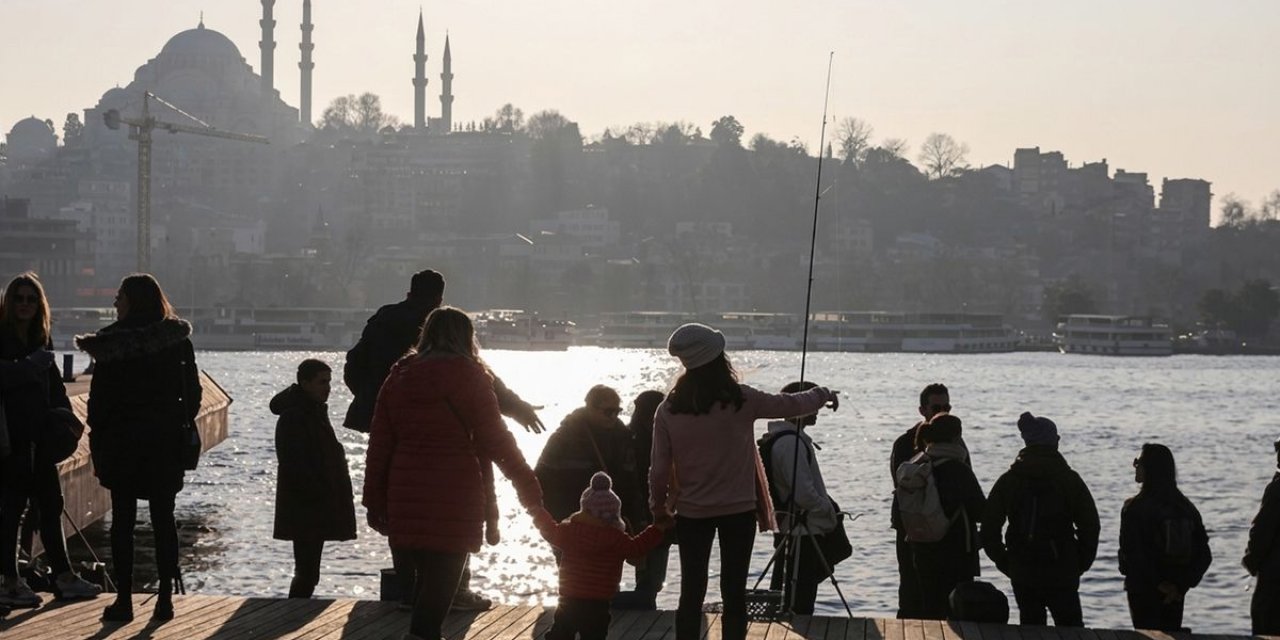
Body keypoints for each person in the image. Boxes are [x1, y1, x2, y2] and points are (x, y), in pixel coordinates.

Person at [343, 268, 543, 611]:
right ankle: (454, 591)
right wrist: (519, 408)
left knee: (402, 506)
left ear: (409, 290)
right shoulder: (441, 328)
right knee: (451, 512)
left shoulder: (384, 323)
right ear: (439, 296)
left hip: (392, 427)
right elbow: (483, 386)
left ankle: (410, 589)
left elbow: (353, 363)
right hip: (447, 439)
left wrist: (372, 402)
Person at [649, 323, 837, 640]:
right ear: (718, 359)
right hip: (738, 511)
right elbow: (790, 404)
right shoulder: (741, 399)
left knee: (691, 590)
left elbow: (658, 469)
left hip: (692, 513)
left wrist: (658, 510)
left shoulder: (668, 409)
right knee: (734, 590)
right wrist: (823, 394)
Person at [75, 274, 202, 623]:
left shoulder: (111, 344)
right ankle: (164, 600)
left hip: (122, 444)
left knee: (123, 524)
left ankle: (125, 600)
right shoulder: (176, 341)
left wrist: (99, 439)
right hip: (163, 445)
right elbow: (192, 393)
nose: (115, 303)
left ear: (132, 300)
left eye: (119, 297)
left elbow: (99, 404)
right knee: (164, 520)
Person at [0, 273, 102, 607]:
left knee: (51, 503)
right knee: (12, 508)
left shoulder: (40, 338)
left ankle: (63, 575)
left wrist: (66, 417)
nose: (25, 304)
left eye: (31, 299)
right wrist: (28, 366)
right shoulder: (3, 338)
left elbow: (54, 383)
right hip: (11, 438)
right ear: (10, 303)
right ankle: (9, 580)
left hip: (40, 435)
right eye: (19, 298)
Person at [980, 412, 1099, 627]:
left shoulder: (1010, 480)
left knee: (1031, 627)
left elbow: (989, 528)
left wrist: (1006, 562)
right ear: (1053, 441)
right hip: (1062, 568)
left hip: (1023, 568)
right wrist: (1080, 562)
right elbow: (1090, 525)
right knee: (1071, 629)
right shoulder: (1069, 480)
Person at [531, 471, 670, 640]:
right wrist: (657, 529)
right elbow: (637, 548)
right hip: (599, 604)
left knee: (560, 634)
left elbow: (549, 530)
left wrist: (537, 512)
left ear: (584, 509)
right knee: (594, 636)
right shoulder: (616, 538)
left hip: (569, 601)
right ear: (614, 514)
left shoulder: (570, 531)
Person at [270, 358, 357, 598]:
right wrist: (319, 493)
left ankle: (296, 609)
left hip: (312, 504)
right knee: (307, 570)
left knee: (308, 569)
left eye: (329, 382)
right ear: (305, 383)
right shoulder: (296, 416)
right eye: (322, 382)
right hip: (307, 506)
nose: (328, 387)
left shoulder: (312, 412)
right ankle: (295, 610)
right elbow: (294, 463)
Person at [761, 380, 841, 615]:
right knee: (801, 590)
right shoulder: (790, 443)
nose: (816, 410)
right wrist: (825, 509)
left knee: (791, 584)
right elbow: (803, 492)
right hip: (801, 529)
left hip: (791, 524)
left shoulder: (784, 439)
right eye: (812, 404)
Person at [1119, 444, 1211, 632]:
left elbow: (1134, 556)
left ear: (1150, 469)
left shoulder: (1134, 509)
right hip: (1175, 594)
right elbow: (1204, 555)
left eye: (1139, 462)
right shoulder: (1186, 508)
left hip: (1144, 592)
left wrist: (1159, 585)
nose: (1135, 466)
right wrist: (1179, 586)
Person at [906, 413, 985, 620]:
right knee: (958, 611)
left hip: (922, 546)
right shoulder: (958, 469)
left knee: (930, 609)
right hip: (956, 548)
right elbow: (980, 510)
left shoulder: (918, 463)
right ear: (956, 437)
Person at [535, 385, 645, 532]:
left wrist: (634, 521)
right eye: (608, 412)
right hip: (573, 525)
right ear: (590, 408)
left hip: (613, 524)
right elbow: (541, 479)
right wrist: (560, 522)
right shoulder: (565, 438)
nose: (613, 416)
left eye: (617, 411)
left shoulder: (623, 437)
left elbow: (631, 483)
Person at [890, 382, 949, 619]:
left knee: (943, 593)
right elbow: (901, 485)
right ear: (922, 410)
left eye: (947, 407)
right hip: (911, 527)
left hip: (943, 526)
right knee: (911, 590)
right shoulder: (905, 443)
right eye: (936, 407)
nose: (942, 412)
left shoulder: (954, 441)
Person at [613, 390, 668, 610]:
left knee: (634, 567)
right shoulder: (659, 438)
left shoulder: (624, 437)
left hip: (628, 512)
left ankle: (615, 601)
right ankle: (641, 603)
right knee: (651, 574)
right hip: (648, 512)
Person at [1244, 436, 1280, 635]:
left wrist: (1251, 561)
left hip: (1274, 581)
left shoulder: (1277, 489)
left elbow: (1262, 531)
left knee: (1266, 626)